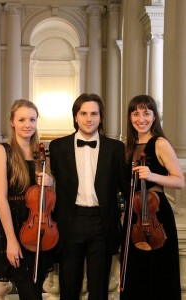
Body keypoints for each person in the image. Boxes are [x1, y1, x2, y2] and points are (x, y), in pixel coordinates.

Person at [49, 93, 129, 300]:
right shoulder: (57, 147)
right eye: (83, 113)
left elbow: (126, 189)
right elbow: (51, 186)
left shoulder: (116, 148)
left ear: (101, 117)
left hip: (102, 223)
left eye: (94, 113)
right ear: (75, 116)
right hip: (69, 222)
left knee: (99, 288)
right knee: (68, 286)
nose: (89, 118)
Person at [0, 99, 57, 300]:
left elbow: (51, 191)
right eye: (21, 119)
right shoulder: (3, 151)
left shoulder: (41, 153)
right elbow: (2, 199)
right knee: (29, 292)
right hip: (16, 228)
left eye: (32, 119)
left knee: (35, 290)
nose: (27, 124)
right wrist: (11, 240)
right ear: (12, 122)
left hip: (40, 229)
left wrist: (50, 180)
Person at [120, 95, 185, 300]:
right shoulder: (128, 147)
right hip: (134, 216)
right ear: (130, 117)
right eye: (136, 113)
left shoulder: (160, 143)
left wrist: (153, 175)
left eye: (146, 113)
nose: (141, 119)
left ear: (154, 117)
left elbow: (179, 181)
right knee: (134, 273)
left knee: (158, 272)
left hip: (157, 216)